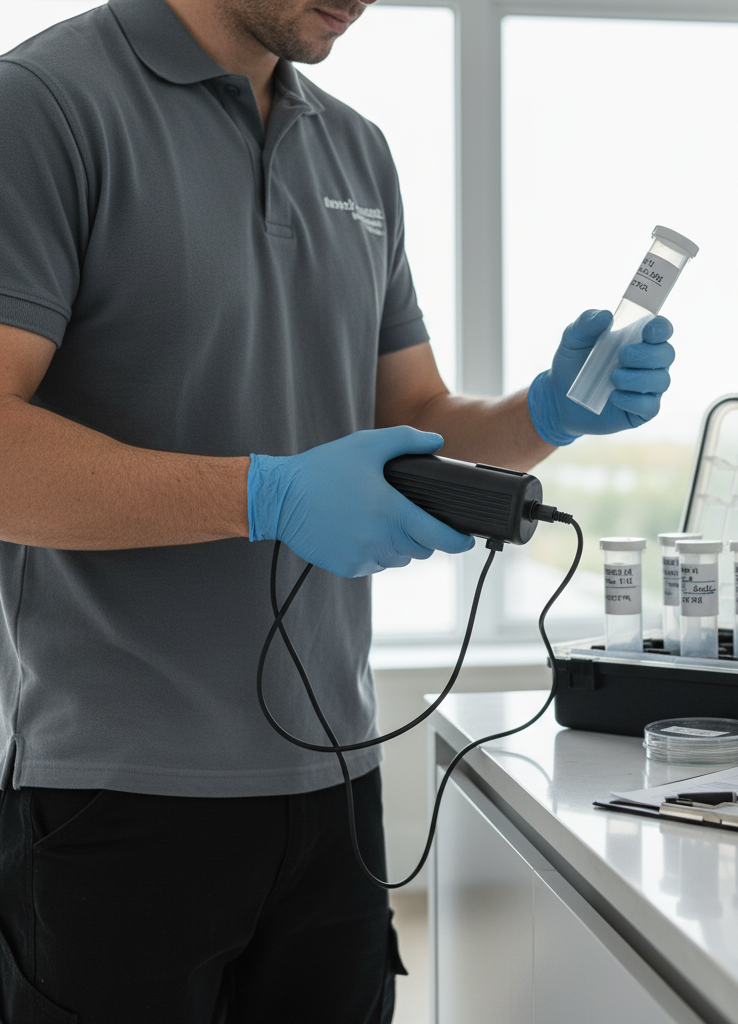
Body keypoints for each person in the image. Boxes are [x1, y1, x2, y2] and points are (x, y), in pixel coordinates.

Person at [0, 0, 676, 1019]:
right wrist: (260, 493)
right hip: (116, 794)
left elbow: (414, 423)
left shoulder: (356, 152)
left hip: (338, 788)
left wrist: (545, 413)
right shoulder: (44, 104)